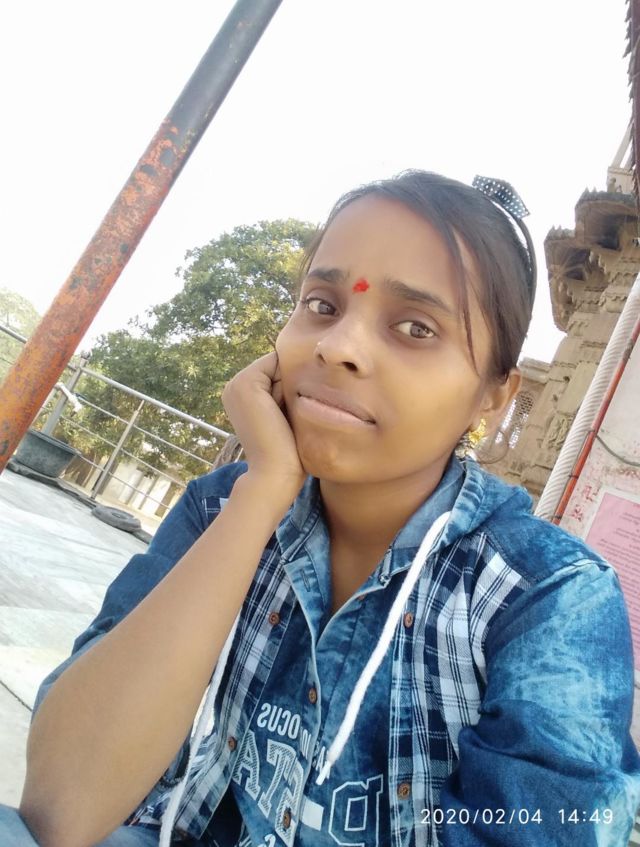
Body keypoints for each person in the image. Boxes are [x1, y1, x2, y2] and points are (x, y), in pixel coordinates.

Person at [2, 171, 639, 847]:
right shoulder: (220, 507)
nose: (336, 347)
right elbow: (63, 811)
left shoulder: (543, 597)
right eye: (321, 304)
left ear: (493, 396)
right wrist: (262, 494)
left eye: (415, 327)